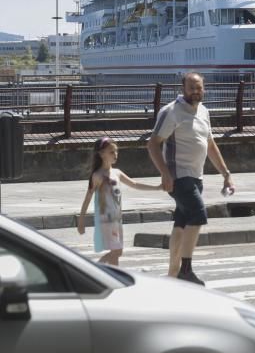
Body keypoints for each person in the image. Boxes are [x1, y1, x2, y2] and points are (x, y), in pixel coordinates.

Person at [147, 72, 235, 285]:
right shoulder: (171, 112)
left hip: (196, 176)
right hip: (178, 176)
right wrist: (165, 173)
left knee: (181, 223)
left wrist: (226, 173)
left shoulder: (204, 111)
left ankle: (172, 274)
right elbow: (153, 144)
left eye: (199, 87)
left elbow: (210, 144)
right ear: (183, 88)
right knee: (198, 215)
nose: (196, 91)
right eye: (191, 88)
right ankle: (186, 270)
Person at [78, 137, 161, 266]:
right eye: (111, 152)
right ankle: (109, 275)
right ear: (101, 154)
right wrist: (81, 221)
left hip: (117, 219)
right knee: (116, 251)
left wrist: (157, 188)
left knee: (118, 252)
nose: (115, 154)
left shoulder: (117, 173)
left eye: (116, 151)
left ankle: (97, 268)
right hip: (106, 219)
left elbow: (134, 184)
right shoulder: (97, 175)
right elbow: (87, 198)